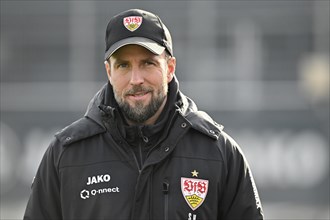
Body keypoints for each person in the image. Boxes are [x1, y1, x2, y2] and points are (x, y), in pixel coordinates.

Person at [23, 9, 264, 220]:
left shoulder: (219, 152)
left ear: (169, 68)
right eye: (123, 65)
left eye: (148, 63)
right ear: (109, 71)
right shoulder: (65, 155)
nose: (136, 79)